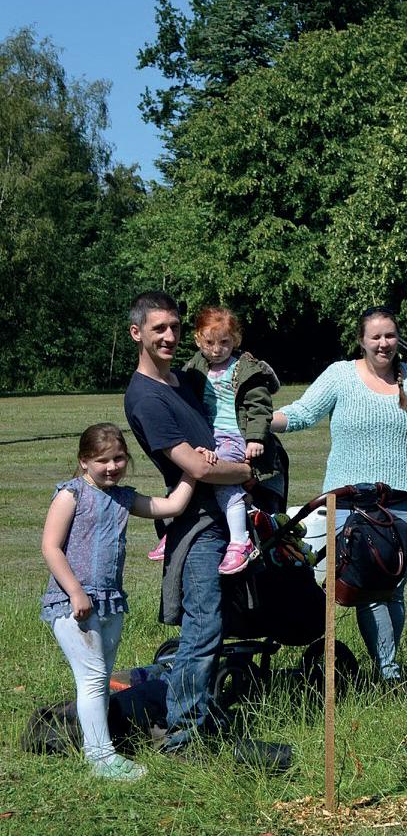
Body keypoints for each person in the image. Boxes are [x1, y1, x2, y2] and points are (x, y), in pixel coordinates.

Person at [271, 306, 407, 682]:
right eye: (376, 337)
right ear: (361, 341)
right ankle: (389, 672)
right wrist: (260, 422)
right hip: (349, 502)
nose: (384, 343)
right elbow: (302, 413)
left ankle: (388, 670)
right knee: (369, 584)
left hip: (406, 503)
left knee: (393, 585)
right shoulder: (340, 375)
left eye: (390, 335)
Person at [123, 291, 257, 751]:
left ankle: (200, 712)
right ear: (136, 333)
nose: (169, 336)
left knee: (215, 625)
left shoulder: (184, 381)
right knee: (202, 627)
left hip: (220, 514)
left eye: (175, 327)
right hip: (197, 525)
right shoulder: (145, 398)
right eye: (158, 328)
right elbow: (197, 467)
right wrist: (245, 472)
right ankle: (184, 734)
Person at [41, 425, 199, 780]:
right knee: (93, 678)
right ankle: (100, 757)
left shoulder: (124, 498)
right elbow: (50, 547)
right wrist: (75, 591)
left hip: (109, 602)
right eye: (102, 460)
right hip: (72, 602)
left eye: (119, 458)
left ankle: (100, 748)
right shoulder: (71, 495)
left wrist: (194, 471)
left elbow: (171, 506)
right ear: (84, 461)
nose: (112, 466)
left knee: (99, 678)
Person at [177, 306, 281, 575]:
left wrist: (255, 438)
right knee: (187, 470)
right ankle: (179, 530)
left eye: (224, 342)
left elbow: (260, 407)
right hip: (208, 436)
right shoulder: (196, 366)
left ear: (236, 339)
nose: (216, 350)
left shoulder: (245, 369)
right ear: (198, 340)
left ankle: (239, 541)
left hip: (235, 436)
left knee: (220, 479)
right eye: (209, 343)